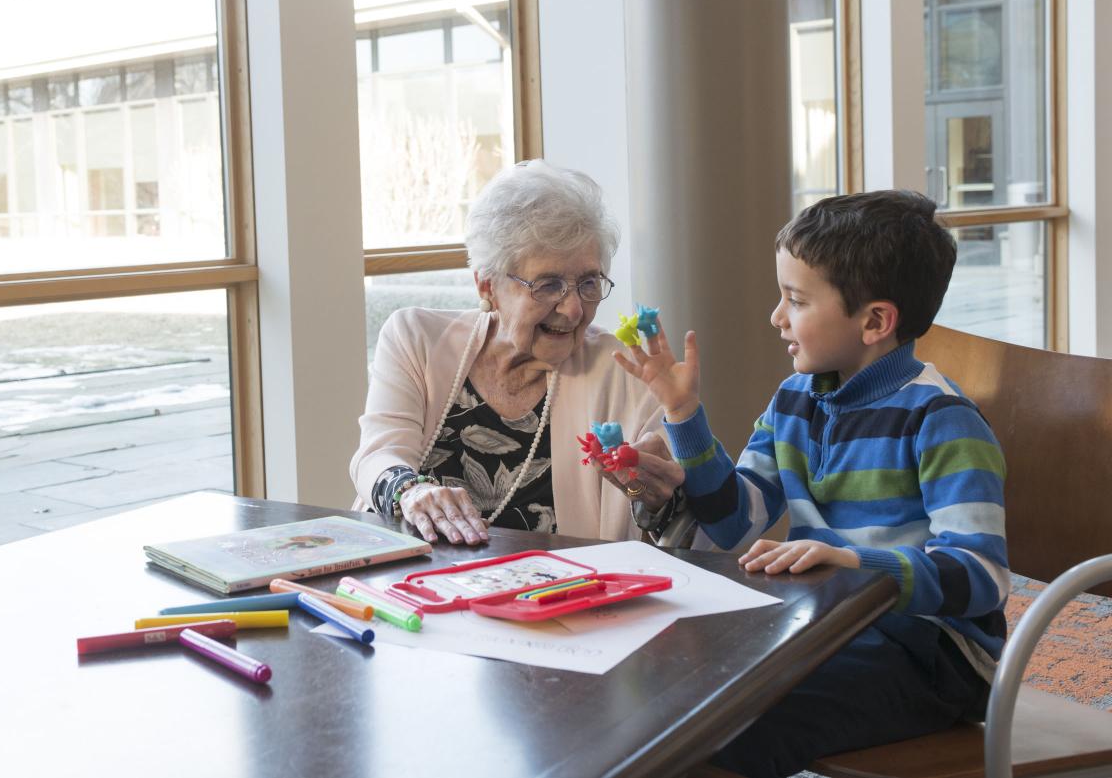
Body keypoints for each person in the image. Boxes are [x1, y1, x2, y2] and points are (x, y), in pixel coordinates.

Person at [617, 190, 1008, 778]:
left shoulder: (942, 420)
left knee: (726, 727)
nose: (776, 317)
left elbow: (982, 577)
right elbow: (733, 522)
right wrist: (682, 415)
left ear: (876, 321)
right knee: (672, 691)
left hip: (934, 655)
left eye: (795, 300)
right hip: (827, 628)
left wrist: (854, 564)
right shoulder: (794, 400)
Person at [349, 160, 688, 545]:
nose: (574, 308)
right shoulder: (416, 338)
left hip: (556, 595)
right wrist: (411, 492)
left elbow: (660, 517)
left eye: (589, 282)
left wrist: (645, 493)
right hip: (409, 586)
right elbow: (377, 455)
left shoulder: (623, 371)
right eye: (548, 284)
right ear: (487, 285)